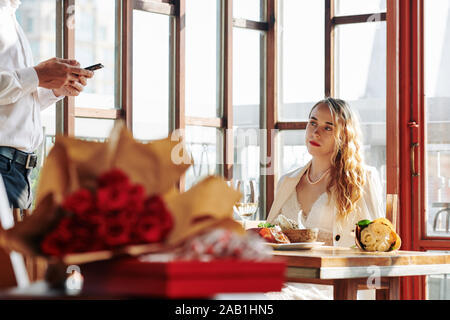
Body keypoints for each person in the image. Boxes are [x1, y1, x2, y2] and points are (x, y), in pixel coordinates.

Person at [265, 97, 384, 300]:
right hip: (286, 279)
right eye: (313, 123)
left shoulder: (362, 179)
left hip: (336, 286)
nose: (316, 132)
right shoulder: (287, 181)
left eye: (328, 127)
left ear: (344, 135)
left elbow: (378, 245)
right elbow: (268, 237)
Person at [0, 0, 94, 210]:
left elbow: (12, 106)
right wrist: (38, 75)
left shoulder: (11, 17)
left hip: (18, 171)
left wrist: (55, 89)